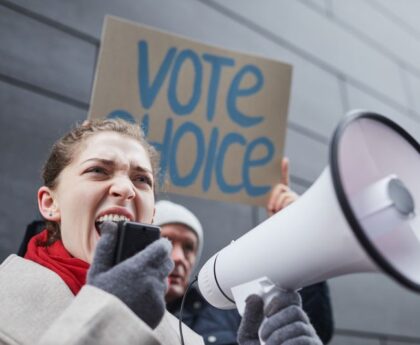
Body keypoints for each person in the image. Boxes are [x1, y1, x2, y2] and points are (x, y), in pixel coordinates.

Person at [0, 119, 203, 345]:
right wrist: (111, 315)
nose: (126, 189)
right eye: (98, 170)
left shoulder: (188, 340)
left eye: (141, 179)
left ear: (152, 214)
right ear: (50, 203)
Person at [155, 158, 333, 345]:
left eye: (188, 248)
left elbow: (312, 326)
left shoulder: (229, 311)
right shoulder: (122, 305)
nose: (179, 257)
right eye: (166, 241)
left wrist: (294, 236)